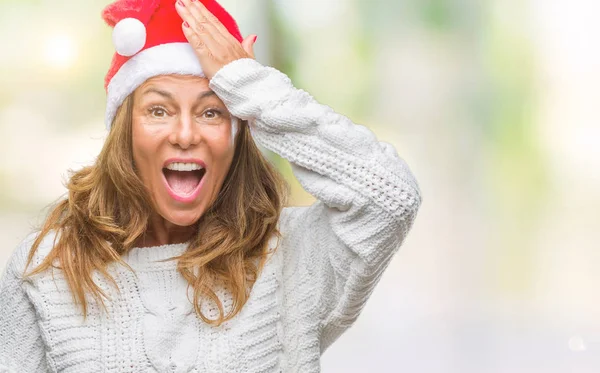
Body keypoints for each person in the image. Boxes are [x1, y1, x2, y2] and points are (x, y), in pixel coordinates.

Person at [0, 0, 422, 371]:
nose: (185, 134)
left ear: (238, 133)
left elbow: (390, 197)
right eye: (159, 110)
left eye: (211, 113)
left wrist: (251, 86)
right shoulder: (47, 271)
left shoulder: (291, 258)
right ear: (124, 134)